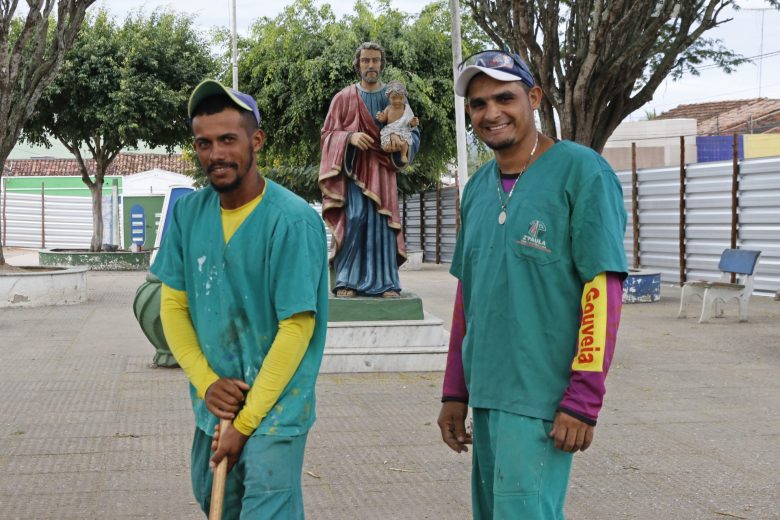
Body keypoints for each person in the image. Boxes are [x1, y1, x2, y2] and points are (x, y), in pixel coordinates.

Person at [437, 51, 628, 519]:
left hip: (541, 398)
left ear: (534, 98)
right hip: (486, 394)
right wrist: (454, 392)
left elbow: (601, 290)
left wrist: (583, 398)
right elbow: (469, 297)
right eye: (478, 104)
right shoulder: (478, 188)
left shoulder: (581, 173)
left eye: (505, 97)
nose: (491, 112)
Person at [151, 79, 329, 519]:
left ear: (256, 141)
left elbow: (297, 328)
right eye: (204, 143)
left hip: (276, 408)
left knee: (266, 508)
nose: (216, 154)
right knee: (212, 497)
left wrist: (246, 423)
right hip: (214, 403)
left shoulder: (292, 222)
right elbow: (173, 306)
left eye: (228, 139)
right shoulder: (190, 215)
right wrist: (207, 381)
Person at [319, 41, 421, 298]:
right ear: (358, 65)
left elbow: (413, 132)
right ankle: (347, 279)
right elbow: (327, 135)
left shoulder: (396, 98)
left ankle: (386, 282)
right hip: (354, 173)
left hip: (384, 171)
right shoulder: (343, 98)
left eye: (375, 60)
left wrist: (403, 146)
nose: (371, 65)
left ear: (381, 64)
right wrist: (349, 138)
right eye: (366, 60)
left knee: (383, 223)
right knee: (355, 218)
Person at [376, 79, 419, 164]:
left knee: (406, 141)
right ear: (388, 97)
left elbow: (410, 120)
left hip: (403, 130)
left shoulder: (406, 108)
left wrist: (413, 123)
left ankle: (403, 155)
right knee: (392, 136)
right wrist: (381, 117)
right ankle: (394, 146)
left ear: (404, 97)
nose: (397, 101)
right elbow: (384, 118)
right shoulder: (388, 108)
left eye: (401, 98)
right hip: (391, 129)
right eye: (394, 98)